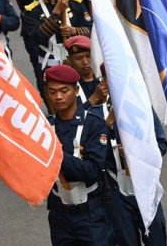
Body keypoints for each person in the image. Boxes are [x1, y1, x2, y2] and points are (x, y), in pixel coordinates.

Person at [95, 62, 167, 245]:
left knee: (157, 237)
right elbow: (92, 152)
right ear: (104, 82)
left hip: (144, 184)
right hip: (117, 190)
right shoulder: (97, 114)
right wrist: (109, 123)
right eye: (111, 80)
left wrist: (139, 153)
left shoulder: (142, 106)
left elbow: (162, 144)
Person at [45, 65, 114, 245]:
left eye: (64, 91)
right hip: (60, 216)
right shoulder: (45, 128)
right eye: (52, 92)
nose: (58, 97)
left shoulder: (93, 124)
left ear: (76, 90)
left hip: (90, 215)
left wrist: (56, 154)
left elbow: (91, 172)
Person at [21, 0, 92, 105]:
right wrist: (56, 13)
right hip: (51, 65)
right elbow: (38, 38)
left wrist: (75, 31)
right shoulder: (32, 11)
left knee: (86, 100)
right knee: (58, 104)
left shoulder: (75, 3)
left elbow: (92, 30)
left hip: (78, 63)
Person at [64, 35, 102, 107]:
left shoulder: (105, 78)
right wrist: (95, 98)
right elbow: (74, 115)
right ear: (69, 60)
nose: (85, 62)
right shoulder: (68, 85)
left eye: (88, 56)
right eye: (79, 58)